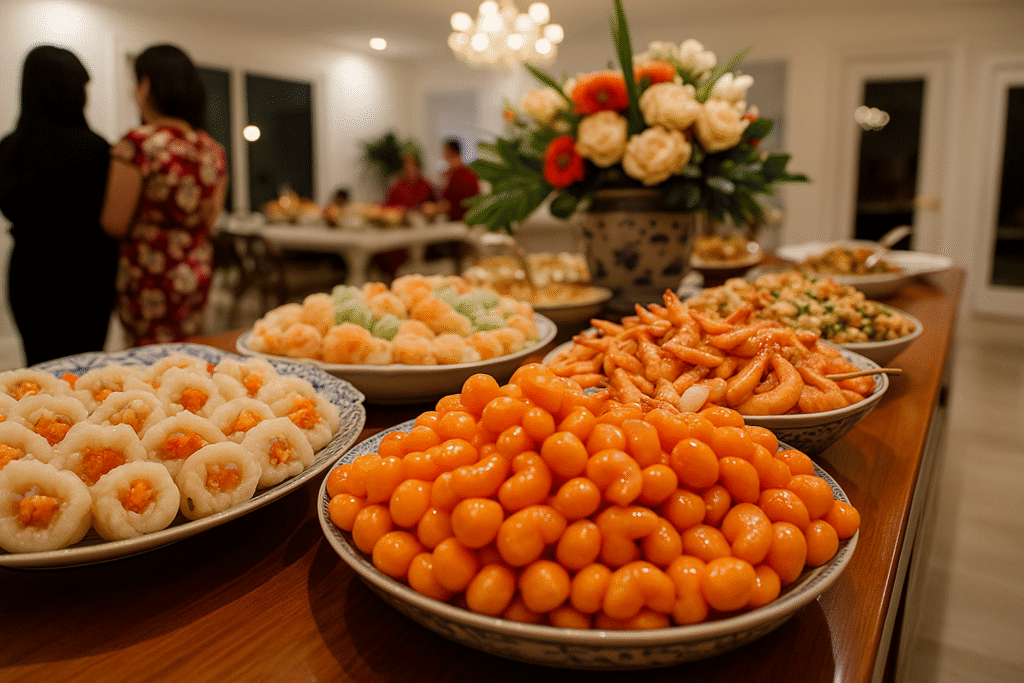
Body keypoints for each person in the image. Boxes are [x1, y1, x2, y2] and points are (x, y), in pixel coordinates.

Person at [100, 44, 228, 346]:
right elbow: (210, 218)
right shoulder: (211, 149)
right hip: (195, 271)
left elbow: (114, 223)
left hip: (148, 276)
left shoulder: (138, 144)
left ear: (145, 86)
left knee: (146, 359)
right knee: (188, 352)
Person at [0, 45, 117, 366]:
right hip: (87, 276)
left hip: (29, 272)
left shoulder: (9, 149)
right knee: (86, 370)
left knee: (39, 367)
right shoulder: (95, 149)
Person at [377, 152, 437, 277]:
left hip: (421, 230)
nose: (409, 170)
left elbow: (433, 205)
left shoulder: (426, 185)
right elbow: (387, 208)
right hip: (398, 228)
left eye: (412, 166)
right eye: (406, 167)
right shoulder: (397, 186)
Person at [439, 138, 480, 222]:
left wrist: (435, 208)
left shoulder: (463, 175)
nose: (443, 155)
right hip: (464, 218)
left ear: (449, 151)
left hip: (462, 220)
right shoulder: (454, 173)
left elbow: (451, 203)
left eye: (444, 151)